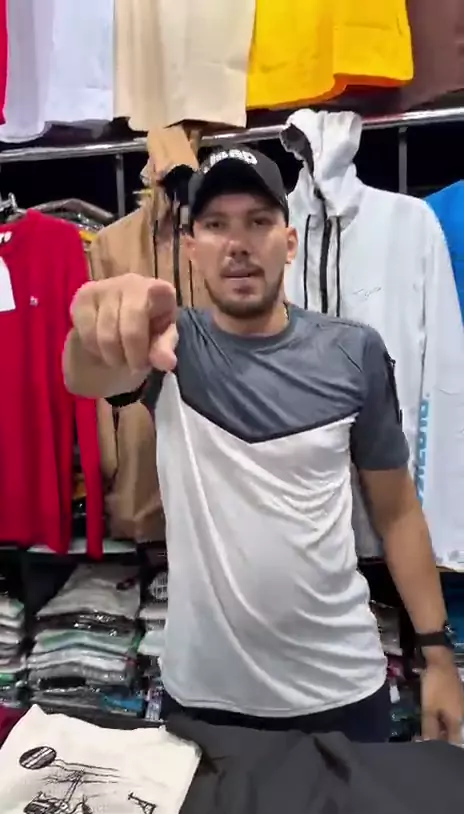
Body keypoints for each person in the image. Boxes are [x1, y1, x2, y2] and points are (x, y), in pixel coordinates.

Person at [63, 146, 463, 743]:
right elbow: (87, 376)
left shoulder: (353, 352)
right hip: (205, 696)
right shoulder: (168, 345)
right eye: (215, 224)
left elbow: (397, 510)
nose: (238, 244)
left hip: (342, 690)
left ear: (289, 240)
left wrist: (438, 656)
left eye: (257, 221)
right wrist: (94, 323)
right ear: (191, 248)